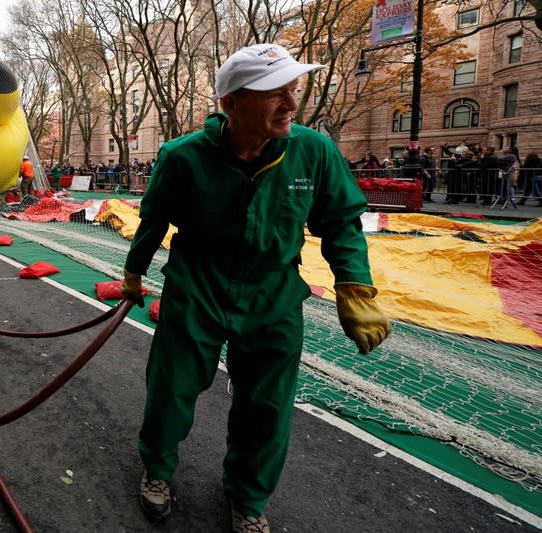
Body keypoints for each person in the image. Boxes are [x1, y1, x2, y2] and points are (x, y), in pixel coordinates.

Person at [120, 43, 392, 533]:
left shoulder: (314, 150)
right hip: (196, 288)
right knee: (171, 390)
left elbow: (343, 224)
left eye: (293, 89)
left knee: (266, 407)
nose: (290, 103)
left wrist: (355, 288)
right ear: (231, 104)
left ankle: (247, 498)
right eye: (274, 93)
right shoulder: (182, 157)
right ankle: (157, 470)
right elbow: (153, 220)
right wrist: (134, 273)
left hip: (274, 296)